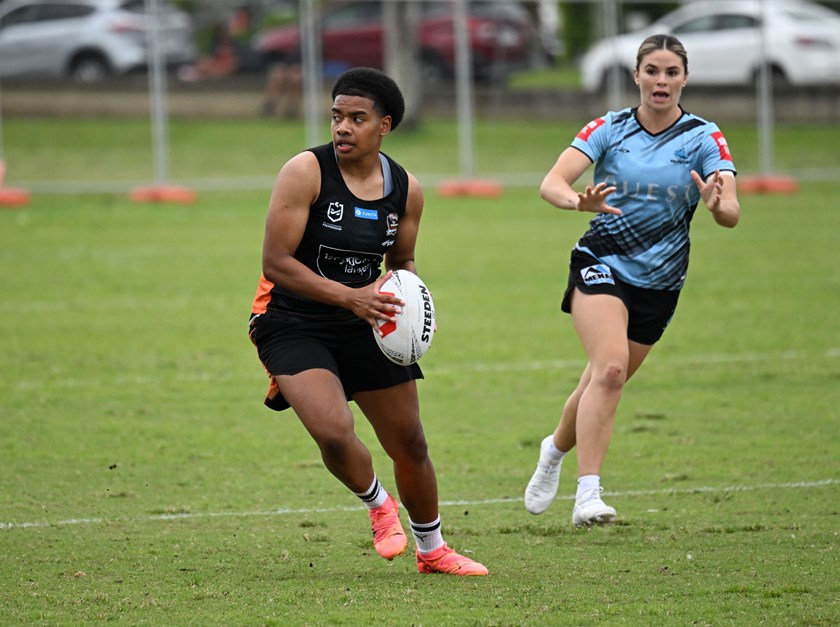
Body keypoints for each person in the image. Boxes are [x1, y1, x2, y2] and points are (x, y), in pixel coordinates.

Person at [248, 67, 488, 576]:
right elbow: (276, 262)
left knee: (411, 442)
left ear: (385, 125)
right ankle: (379, 505)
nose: (342, 127)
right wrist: (350, 298)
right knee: (333, 431)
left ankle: (433, 551)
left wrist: (414, 307)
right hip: (291, 317)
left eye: (358, 118)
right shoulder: (305, 172)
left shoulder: (406, 190)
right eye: (337, 116)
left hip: (367, 317)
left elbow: (401, 265)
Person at [524, 34, 740, 527]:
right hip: (600, 261)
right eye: (652, 71)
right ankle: (588, 495)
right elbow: (551, 184)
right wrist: (578, 202)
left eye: (671, 72)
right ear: (636, 75)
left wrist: (717, 204)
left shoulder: (704, 137)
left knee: (601, 378)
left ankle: (554, 451)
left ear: (685, 78)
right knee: (613, 370)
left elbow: (731, 211)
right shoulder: (610, 127)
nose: (661, 81)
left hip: (661, 282)